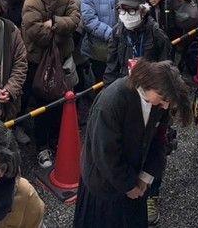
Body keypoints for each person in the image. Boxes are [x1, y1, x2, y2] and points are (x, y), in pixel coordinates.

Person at [74, 60, 190, 228]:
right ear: (151, 85)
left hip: (133, 178)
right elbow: (106, 153)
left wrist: (145, 177)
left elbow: (159, 141)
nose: (165, 106)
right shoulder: (113, 100)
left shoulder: (158, 101)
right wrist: (129, 185)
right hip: (104, 185)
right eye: (164, 99)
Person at [21, 0, 82, 169]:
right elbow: (35, 32)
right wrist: (60, 32)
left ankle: (58, 140)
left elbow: (75, 20)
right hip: (39, 63)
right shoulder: (32, 1)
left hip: (63, 59)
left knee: (62, 103)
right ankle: (42, 146)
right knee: (42, 107)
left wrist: (54, 22)